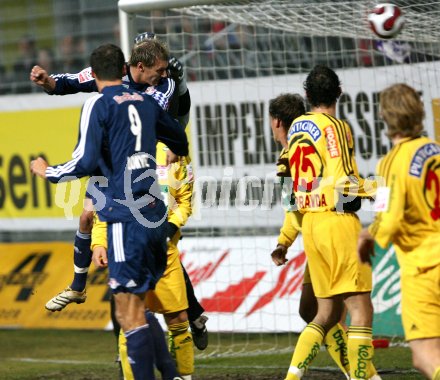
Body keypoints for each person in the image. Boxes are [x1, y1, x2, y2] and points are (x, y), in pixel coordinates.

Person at [29, 35, 209, 351]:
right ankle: (79, 288)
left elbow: (158, 121)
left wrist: (171, 146)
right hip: (111, 164)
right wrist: (48, 82)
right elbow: (74, 80)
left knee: (159, 259)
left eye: (166, 70)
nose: (164, 75)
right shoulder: (114, 78)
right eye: (160, 69)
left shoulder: (162, 88)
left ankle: (189, 315)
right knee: (87, 218)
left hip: (139, 165)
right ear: (137, 66)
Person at [268, 93, 381, 380]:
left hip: (317, 232)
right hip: (328, 228)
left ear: (277, 122)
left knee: (319, 312)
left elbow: (292, 206)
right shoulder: (316, 143)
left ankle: (361, 374)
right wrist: (380, 192)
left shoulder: (286, 160)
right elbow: (341, 189)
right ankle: (360, 374)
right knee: (331, 312)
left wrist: (284, 240)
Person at [92, 144, 197, 379]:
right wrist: (99, 242)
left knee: (179, 319)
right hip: (129, 249)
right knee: (132, 316)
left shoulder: (174, 151)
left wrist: (170, 228)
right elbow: (103, 208)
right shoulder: (116, 151)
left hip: (165, 253)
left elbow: (185, 201)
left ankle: (184, 376)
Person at [358, 83, 440, 380]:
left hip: (424, 267)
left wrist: (367, 236)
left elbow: (387, 219)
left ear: (384, 116)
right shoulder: (435, 149)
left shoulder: (391, 161)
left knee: (424, 356)